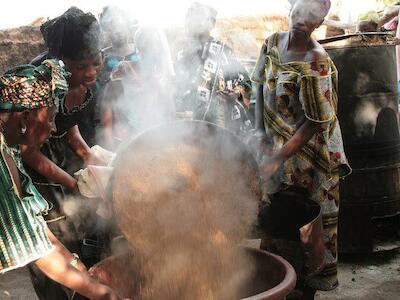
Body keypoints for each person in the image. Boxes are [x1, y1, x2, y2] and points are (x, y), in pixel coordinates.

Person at [0, 59, 126, 300]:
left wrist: (77, 265)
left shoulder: (10, 145)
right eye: (50, 119)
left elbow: (33, 224)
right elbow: (39, 254)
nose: (54, 127)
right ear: (25, 118)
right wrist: (105, 295)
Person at [251, 0, 351, 299]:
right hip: (278, 149)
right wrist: (258, 132)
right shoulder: (271, 44)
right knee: (276, 218)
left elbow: (314, 124)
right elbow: (257, 87)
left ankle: (305, 288)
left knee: (309, 228)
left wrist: (279, 156)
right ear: (290, 8)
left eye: (311, 17)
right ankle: (277, 279)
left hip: (313, 157)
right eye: (299, 11)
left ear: (319, 24)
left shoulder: (317, 61)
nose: (301, 20)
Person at [22, 7, 108, 299]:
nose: (92, 71)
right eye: (82, 66)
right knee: (55, 256)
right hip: (37, 178)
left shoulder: (88, 77)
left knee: (91, 248)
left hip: (64, 164)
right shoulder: (39, 85)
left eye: (96, 62)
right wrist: (74, 184)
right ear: (61, 63)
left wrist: (89, 158)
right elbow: (28, 151)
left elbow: (69, 126)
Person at [174, 2, 252, 135]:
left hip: (220, 123)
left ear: (211, 24)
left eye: (199, 17)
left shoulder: (224, 51)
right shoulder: (181, 55)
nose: (194, 22)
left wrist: (236, 93)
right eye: (191, 17)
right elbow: (176, 88)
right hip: (189, 125)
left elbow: (245, 81)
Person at [100, 26, 175, 149]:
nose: (153, 52)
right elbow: (107, 117)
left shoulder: (161, 77)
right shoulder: (123, 69)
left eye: (156, 48)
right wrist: (111, 150)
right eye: (147, 47)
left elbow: (170, 114)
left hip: (154, 140)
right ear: (139, 48)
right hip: (125, 142)